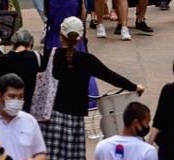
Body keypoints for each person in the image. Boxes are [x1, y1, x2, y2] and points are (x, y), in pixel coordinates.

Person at [41, 17, 145, 159]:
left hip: (52, 116)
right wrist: (134, 86)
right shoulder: (87, 60)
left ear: (61, 34)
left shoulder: (50, 55)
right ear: (80, 37)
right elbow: (110, 76)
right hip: (76, 117)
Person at [0, 30, 41, 113]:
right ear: (30, 43)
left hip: (7, 105)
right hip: (30, 107)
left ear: (13, 43)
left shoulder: (2, 59)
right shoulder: (36, 58)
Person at [94, 102, 159, 160]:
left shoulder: (102, 146)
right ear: (136, 123)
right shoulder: (147, 151)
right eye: (147, 122)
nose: (148, 126)